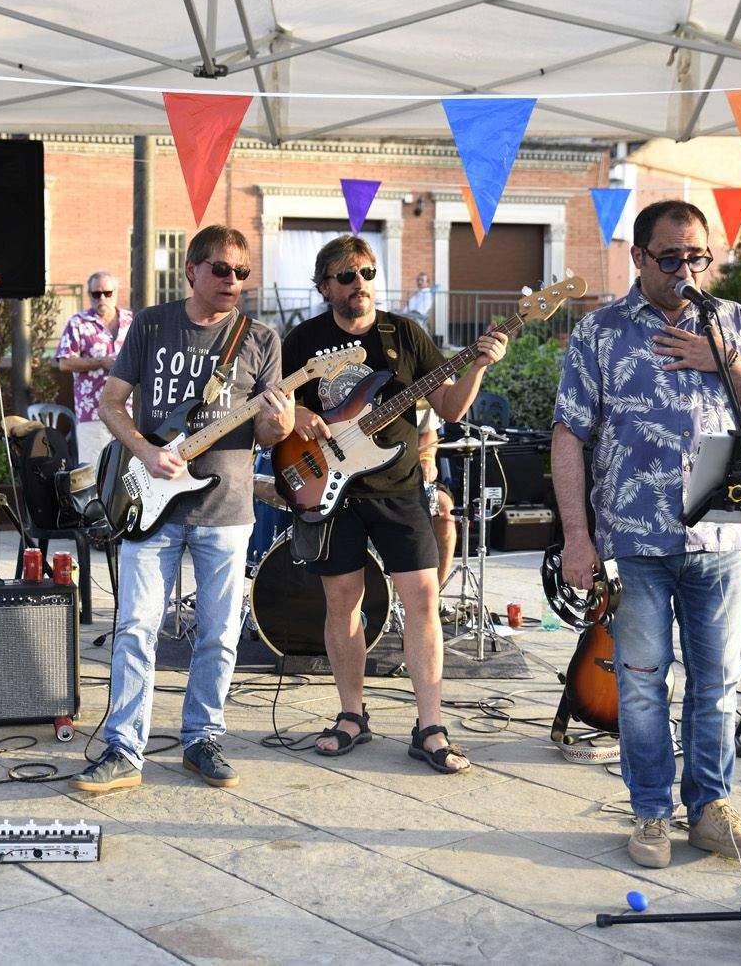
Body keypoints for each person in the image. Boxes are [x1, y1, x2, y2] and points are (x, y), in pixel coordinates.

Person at [550, 199, 741, 869]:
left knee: (717, 681)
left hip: (718, 541)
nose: (685, 270)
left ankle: (710, 806)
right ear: (638, 256)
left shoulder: (731, 323)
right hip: (634, 542)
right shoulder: (600, 332)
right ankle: (652, 811)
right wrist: (578, 535)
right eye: (670, 258)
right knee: (640, 680)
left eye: (697, 256)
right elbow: (568, 435)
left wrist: (724, 362)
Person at [71, 225, 293, 793]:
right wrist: (145, 451)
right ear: (191, 270)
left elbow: (268, 435)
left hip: (226, 507)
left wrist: (282, 420)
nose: (232, 281)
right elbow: (111, 402)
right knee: (135, 629)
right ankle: (124, 749)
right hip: (149, 498)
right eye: (220, 269)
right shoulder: (151, 324)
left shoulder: (262, 340)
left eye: (242, 272)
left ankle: (202, 738)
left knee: (219, 633)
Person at [282, 235, 507, 774]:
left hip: (400, 488)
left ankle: (430, 726)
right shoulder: (303, 340)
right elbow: (271, 405)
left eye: (366, 272)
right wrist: (297, 416)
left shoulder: (404, 333)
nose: (359, 283)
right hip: (330, 489)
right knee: (343, 603)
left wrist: (477, 365)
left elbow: (449, 407)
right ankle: (351, 715)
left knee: (423, 599)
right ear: (324, 288)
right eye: (345, 276)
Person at [54, 270, 134, 468]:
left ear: (116, 293)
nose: (102, 298)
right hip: (93, 412)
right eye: (96, 294)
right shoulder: (77, 323)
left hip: (129, 412)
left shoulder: (132, 321)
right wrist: (101, 362)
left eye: (107, 293)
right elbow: (64, 362)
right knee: (93, 474)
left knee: (129, 472)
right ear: (89, 295)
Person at [416, 403, 457, 588]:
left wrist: (427, 458)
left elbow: (428, 430)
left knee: (444, 507)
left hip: (408, 477)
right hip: (361, 476)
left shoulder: (417, 388)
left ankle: (436, 595)